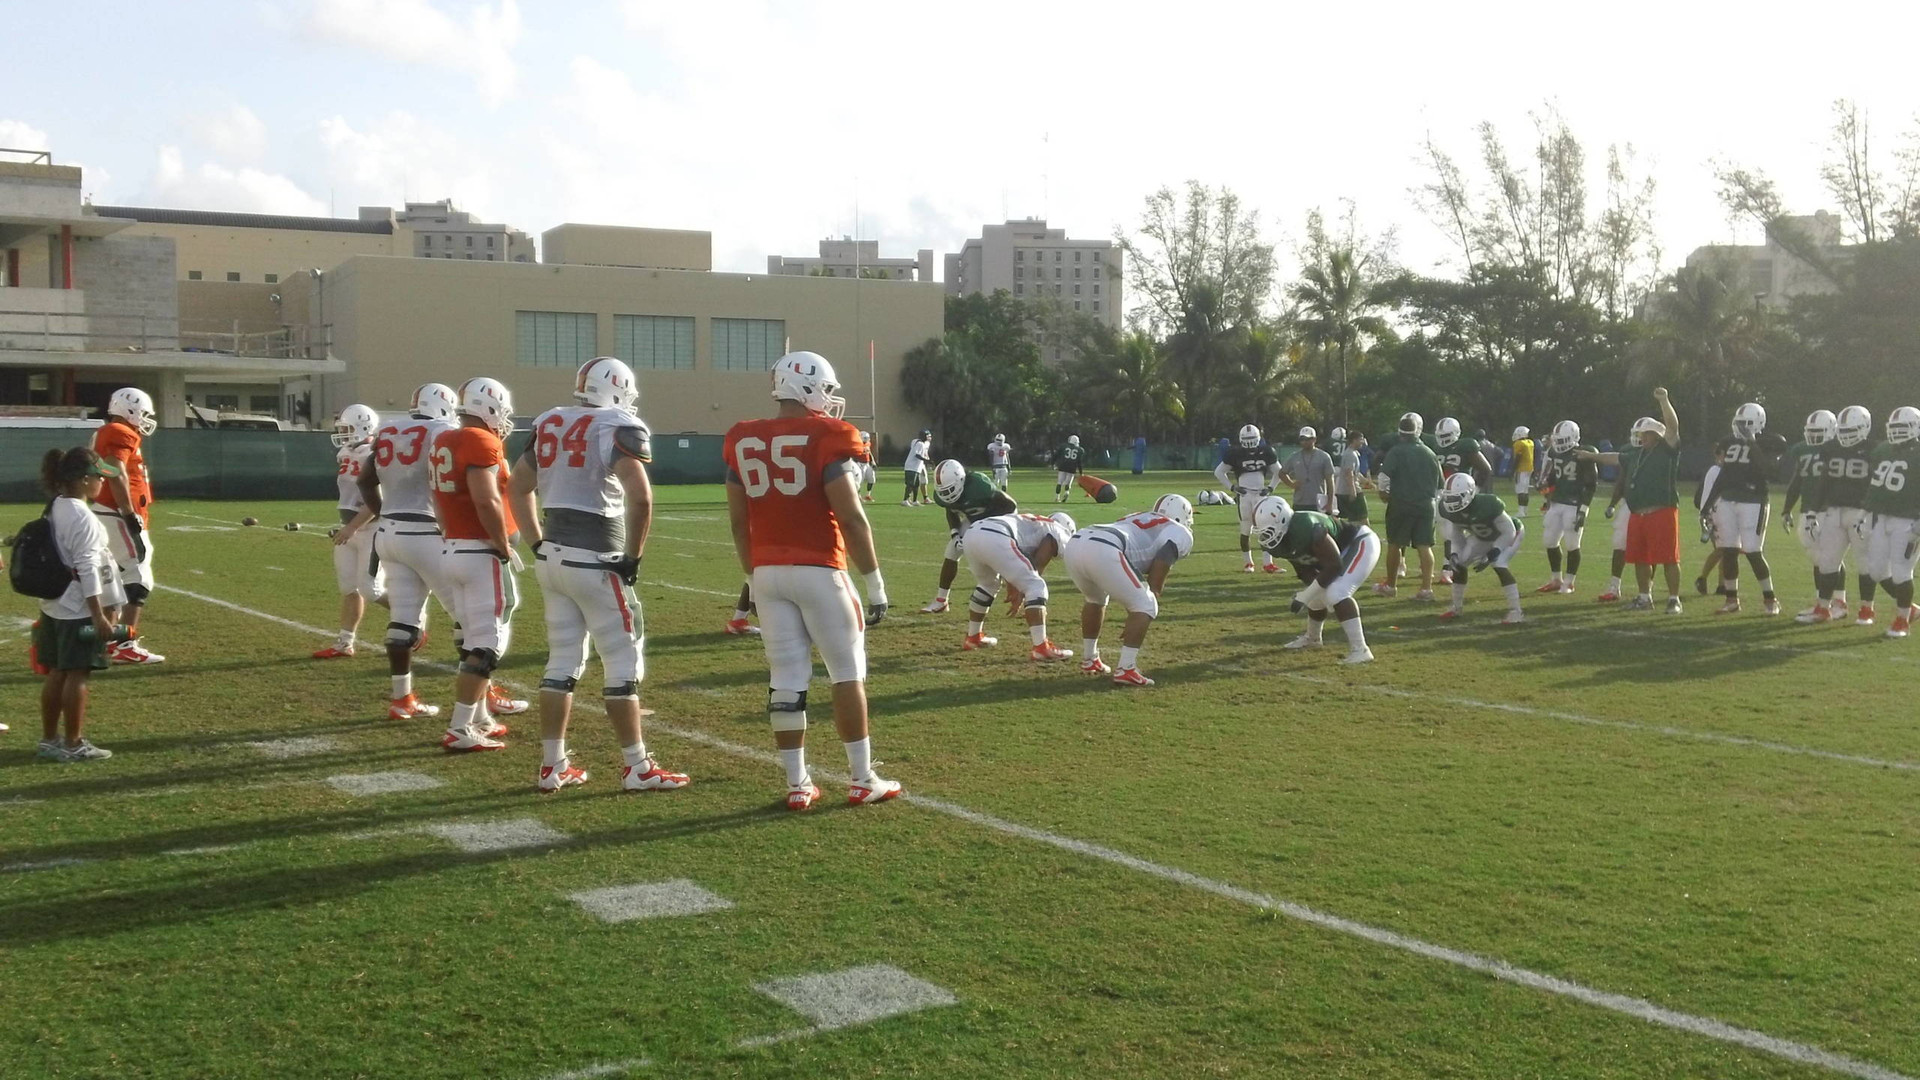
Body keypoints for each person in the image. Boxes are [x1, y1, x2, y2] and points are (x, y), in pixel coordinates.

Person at [724, 350, 900, 812]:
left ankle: (798, 783)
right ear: (808, 386)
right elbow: (852, 516)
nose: (832, 398)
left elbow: (739, 524)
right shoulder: (828, 435)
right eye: (827, 387)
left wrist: (753, 575)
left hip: (766, 572)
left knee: (786, 679)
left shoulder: (743, 438)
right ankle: (862, 778)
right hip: (820, 568)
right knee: (847, 674)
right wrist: (876, 584)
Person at [508, 356, 687, 794]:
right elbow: (640, 499)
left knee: (562, 662)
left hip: (553, 559)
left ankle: (552, 766)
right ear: (618, 388)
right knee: (622, 663)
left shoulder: (551, 420)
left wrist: (536, 542)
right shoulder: (615, 424)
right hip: (597, 559)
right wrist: (633, 557)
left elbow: (516, 487)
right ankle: (637, 767)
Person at [350, 383, 460, 720]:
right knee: (471, 619)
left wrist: (383, 514)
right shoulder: (445, 431)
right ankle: (482, 701)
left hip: (390, 534)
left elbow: (365, 480)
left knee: (402, 621)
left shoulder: (389, 430)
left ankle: (402, 699)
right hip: (427, 532)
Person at [430, 377, 526, 752]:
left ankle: (481, 716)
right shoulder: (481, 441)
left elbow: (439, 499)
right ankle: (459, 727)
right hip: (479, 552)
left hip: (454, 548)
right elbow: (487, 500)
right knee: (486, 645)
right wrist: (502, 546)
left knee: (472, 638)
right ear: (487, 407)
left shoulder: (444, 440)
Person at [33, 447, 126, 762]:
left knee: (57, 671)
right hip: (77, 607)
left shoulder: (56, 505)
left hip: (55, 603)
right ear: (85, 479)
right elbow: (87, 566)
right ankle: (73, 743)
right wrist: (99, 614)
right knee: (78, 673)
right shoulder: (81, 515)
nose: (102, 481)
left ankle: (49, 740)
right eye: (98, 476)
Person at [1062, 493, 1194, 686]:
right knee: (1146, 605)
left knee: (1095, 599)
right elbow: (1163, 558)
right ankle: (1126, 669)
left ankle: (1090, 660)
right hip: (1104, 547)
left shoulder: (1136, 516)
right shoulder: (1179, 531)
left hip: (1077, 542)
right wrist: (1149, 598)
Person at [1580, 388, 1683, 613]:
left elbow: (1673, 427)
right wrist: (1591, 456)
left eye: (1645, 434)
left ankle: (1674, 599)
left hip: (1661, 510)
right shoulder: (1637, 453)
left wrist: (1664, 401)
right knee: (1640, 558)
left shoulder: (1666, 450)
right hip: (1638, 512)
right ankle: (1644, 597)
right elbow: (1615, 458)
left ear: (1656, 435)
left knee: (1668, 558)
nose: (1641, 437)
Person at [1253, 495, 1379, 663]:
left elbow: (1334, 565)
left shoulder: (1308, 526)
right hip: (1336, 553)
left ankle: (1361, 649)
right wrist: (1310, 592)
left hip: (1360, 541)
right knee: (1316, 591)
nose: (1265, 536)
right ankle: (1313, 638)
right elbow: (1304, 569)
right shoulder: (1278, 542)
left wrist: (1305, 596)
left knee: (1336, 593)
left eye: (1268, 530)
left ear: (1282, 520)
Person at [90, 387, 163, 664]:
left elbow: (107, 469)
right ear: (129, 409)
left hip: (108, 510)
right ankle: (124, 644)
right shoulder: (121, 432)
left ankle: (109, 639)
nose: (144, 418)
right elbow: (114, 469)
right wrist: (127, 510)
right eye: (142, 412)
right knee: (139, 576)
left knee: (117, 576)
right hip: (116, 512)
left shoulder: (106, 432)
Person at [1699, 403, 1788, 615]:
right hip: (1728, 500)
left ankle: (1770, 599)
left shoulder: (1770, 442)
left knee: (1753, 551)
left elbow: (1769, 470)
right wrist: (1706, 506)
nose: (1741, 428)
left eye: (1746, 424)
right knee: (1728, 551)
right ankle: (1731, 600)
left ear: (1758, 424)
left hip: (1754, 500)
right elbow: (1724, 476)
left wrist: (1752, 441)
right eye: (1739, 424)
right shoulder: (1729, 442)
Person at [315, 404, 387, 659]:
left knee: (371, 590)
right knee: (349, 588)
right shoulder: (346, 451)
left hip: (372, 529)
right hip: (351, 530)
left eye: (347, 428)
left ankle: (412, 618)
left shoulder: (376, 453)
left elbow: (378, 501)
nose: (343, 434)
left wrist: (351, 527)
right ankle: (345, 643)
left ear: (363, 425)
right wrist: (347, 526)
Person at [959, 510, 1076, 661]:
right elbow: (1039, 560)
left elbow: (1011, 559)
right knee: (1036, 586)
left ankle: (973, 637)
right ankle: (1041, 648)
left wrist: (1017, 584)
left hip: (973, 533)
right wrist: (1024, 588)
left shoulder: (1032, 523)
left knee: (988, 585)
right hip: (995, 535)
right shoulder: (1059, 530)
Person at [923, 458, 1019, 614]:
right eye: (944, 491)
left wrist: (1001, 529)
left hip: (996, 518)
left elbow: (1010, 506)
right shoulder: (945, 496)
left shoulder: (979, 486)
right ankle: (941, 601)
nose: (946, 494)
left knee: (1003, 557)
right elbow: (951, 509)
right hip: (974, 519)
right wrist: (955, 533)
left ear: (961, 480)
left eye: (949, 489)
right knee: (952, 550)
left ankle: (1024, 594)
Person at [1436, 473, 1525, 624]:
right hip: (1482, 536)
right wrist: (1455, 555)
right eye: (1449, 497)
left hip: (1510, 533)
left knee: (1499, 563)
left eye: (1455, 497)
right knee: (1460, 564)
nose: (1451, 502)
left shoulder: (1488, 503)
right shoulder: (1448, 510)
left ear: (1469, 493)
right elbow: (1457, 536)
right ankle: (1456, 607)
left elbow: (1508, 531)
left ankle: (1516, 611)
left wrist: (1494, 552)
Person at [1817, 405, 1877, 624]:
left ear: (1864, 428)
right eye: (1843, 430)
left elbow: (1878, 485)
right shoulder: (1831, 448)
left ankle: (1867, 609)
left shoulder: (1874, 450)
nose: (1846, 435)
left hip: (1860, 512)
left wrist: (1870, 509)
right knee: (1827, 562)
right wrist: (1816, 509)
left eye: (1851, 430)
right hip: (1834, 510)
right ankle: (1823, 607)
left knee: (1865, 563)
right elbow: (1824, 480)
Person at [1374, 412, 1442, 600]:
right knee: (1424, 545)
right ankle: (1426, 589)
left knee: (1395, 544)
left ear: (1400, 432)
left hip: (1401, 504)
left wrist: (1383, 493)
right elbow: (1440, 484)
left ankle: (1391, 585)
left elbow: (1384, 476)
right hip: (1426, 505)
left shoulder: (1396, 451)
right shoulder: (1430, 453)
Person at [1865, 406, 1920, 638]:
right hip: (1882, 517)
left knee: (1901, 571)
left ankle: (1902, 620)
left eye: (1902, 427)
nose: (1897, 432)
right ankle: (1912, 609)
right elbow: (1874, 484)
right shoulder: (1882, 450)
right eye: (1894, 427)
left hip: (1908, 521)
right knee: (1876, 571)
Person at [1781, 410, 1837, 622]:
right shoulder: (1802, 450)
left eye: (1819, 432)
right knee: (1817, 559)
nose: (1814, 436)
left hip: (1829, 509)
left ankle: (1836, 601)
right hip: (1808, 509)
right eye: (1811, 432)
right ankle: (1822, 601)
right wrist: (1786, 509)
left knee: (1830, 558)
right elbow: (1797, 481)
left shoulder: (1837, 450)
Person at [1533, 420, 1597, 595]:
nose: (1559, 445)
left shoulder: (1585, 454)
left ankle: (1569, 582)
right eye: (1557, 441)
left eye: (1563, 441)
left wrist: (1583, 510)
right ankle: (1556, 579)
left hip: (1575, 504)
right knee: (1549, 540)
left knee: (1572, 543)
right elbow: (1554, 477)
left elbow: (1591, 485)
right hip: (1557, 501)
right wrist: (1546, 488)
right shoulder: (1554, 452)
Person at [1216, 424, 1281, 572]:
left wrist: (1270, 488)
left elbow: (1279, 472)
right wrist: (1232, 488)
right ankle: (1248, 563)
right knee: (1246, 528)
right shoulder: (1235, 453)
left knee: (1265, 528)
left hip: (1259, 494)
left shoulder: (1266, 451)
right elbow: (1219, 472)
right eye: (1247, 439)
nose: (1250, 443)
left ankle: (1267, 563)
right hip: (1245, 495)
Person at [1593, 426, 1633, 603]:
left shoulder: (1660, 453)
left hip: (1651, 505)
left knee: (1648, 548)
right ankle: (1614, 586)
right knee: (1619, 544)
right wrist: (1612, 504)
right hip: (1628, 504)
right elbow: (1622, 479)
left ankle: (1646, 591)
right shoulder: (1628, 451)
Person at [1281, 426, 1334, 514]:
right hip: (1299, 501)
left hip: (1318, 501)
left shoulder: (1324, 457)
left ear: (1314, 439)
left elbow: (1330, 481)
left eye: (1308, 439)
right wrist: (1291, 484)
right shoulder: (1295, 456)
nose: (1304, 442)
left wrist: (1330, 503)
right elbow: (1282, 473)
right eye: (1302, 439)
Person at [1330, 429, 1370, 523]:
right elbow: (1349, 473)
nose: (1362, 442)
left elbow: (1356, 473)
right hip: (1350, 491)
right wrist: (1353, 490)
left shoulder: (1354, 453)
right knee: (1363, 517)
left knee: (1352, 519)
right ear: (1354, 440)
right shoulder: (1350, 454)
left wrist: (1367, 482)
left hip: (1344, 491)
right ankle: (1368, 536)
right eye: (1361, 439)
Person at [902, 429, 932, 506]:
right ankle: (905, 500)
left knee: (916, 484)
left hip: (916, 466)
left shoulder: (916, 441)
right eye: (927, 436)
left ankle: (915, 501)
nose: (929, 437)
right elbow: (917, 455)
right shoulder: (920, 444)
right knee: (910, 484)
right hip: (911, 466)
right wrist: (926, 460)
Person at [1051, 434, 1085, 503]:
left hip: (1062, 466)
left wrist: (1053, 463)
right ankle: (1067, 492)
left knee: (1059, 482)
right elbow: (1079, 462)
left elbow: (1056, 455)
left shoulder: (1063, 446)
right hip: (1072, 468)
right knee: (1068, 484)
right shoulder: (1080, 450)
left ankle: (1057, 497)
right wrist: (1081, 472)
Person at [1511, 426, 1535, 518]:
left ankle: (1521, 511)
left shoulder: (1519, 443)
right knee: (1525, 491)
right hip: (1529, 469)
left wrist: (1513, 469)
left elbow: (1518, 457)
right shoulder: (1530, 442)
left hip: (1521, 469)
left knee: (1520, 491)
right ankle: (1525, 510)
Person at [857, 430, 878, 502]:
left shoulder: (868, 443)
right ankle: (858, 496)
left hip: (867, 463)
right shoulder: (857, 444)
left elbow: (869, 452)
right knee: (859, 481)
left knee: (872, 478)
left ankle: (868, 495)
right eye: (865, 438)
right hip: (859, 463)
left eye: (867, 438)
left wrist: (873, 461)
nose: (866, 440)